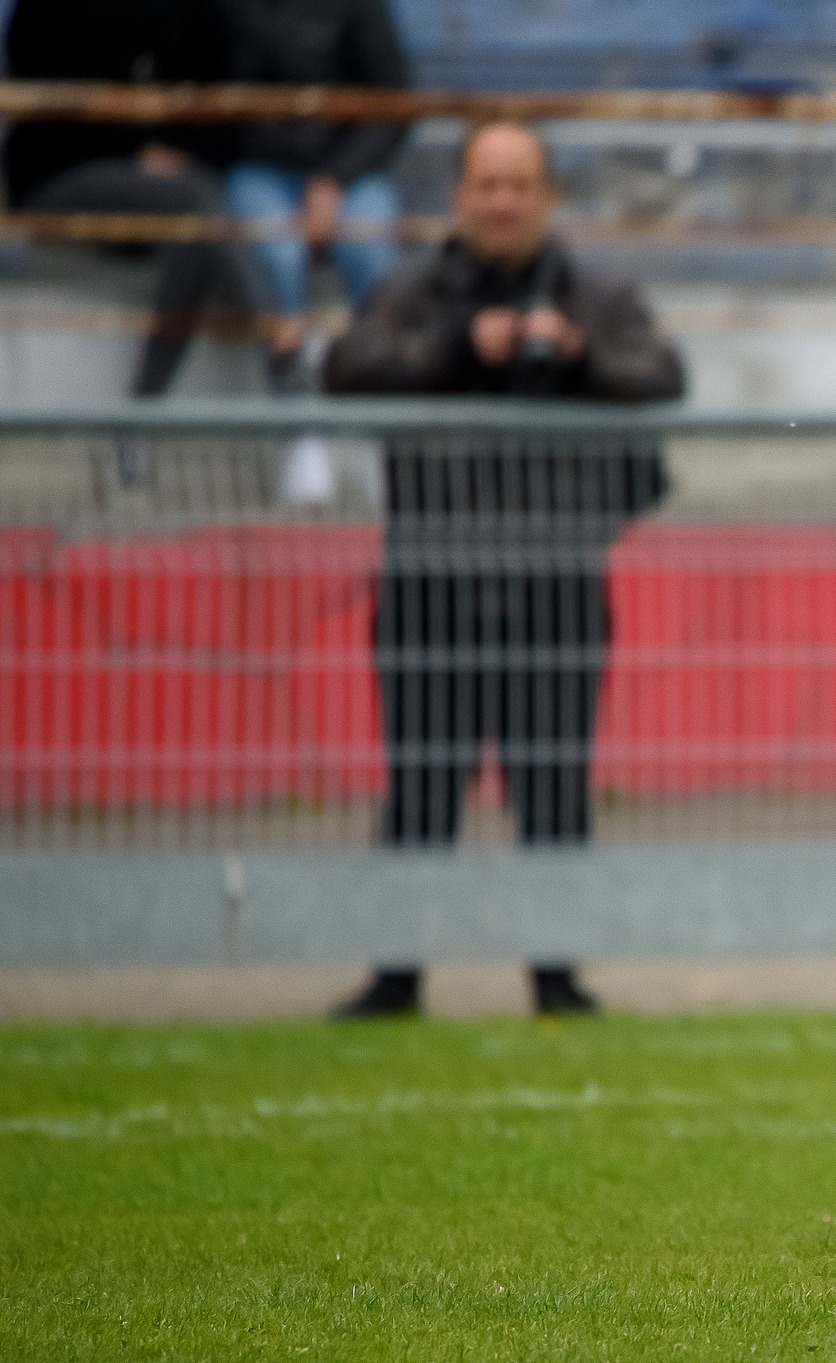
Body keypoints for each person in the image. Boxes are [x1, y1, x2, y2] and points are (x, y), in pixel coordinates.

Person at [324, 120, 684, 1018]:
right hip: (429, 583)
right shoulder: (412, 292)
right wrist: (456, 350)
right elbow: (346, 365)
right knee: (421, 784)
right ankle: (397, 977)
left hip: (553, 583)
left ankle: (555, 977)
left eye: (519, 184)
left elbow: (660, 370)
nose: (501, 201)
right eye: (486, 183)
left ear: (547, 197)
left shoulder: (590, 295)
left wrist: (575, 353)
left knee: (554, 782)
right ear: (459, 196)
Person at [2, 0, 259, 395]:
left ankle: (143, 414)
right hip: (58, 175)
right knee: (193, 208)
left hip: (170, 188)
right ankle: (280, 345)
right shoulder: (52, 11)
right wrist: (136, 153)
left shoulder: (194, 14)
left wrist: (174, 155)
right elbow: (48, 101)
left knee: (201, 213)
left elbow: (222, 104)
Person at [206, 0, 411, 387]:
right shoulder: (229, 11)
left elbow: (395, 103)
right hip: (258, 170)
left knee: (369, 246)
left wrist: (335, 178)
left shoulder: (361, 8)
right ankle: (295, 416)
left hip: (350, 172)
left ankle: (379, 399)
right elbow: (203, 87)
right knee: (277, 256)